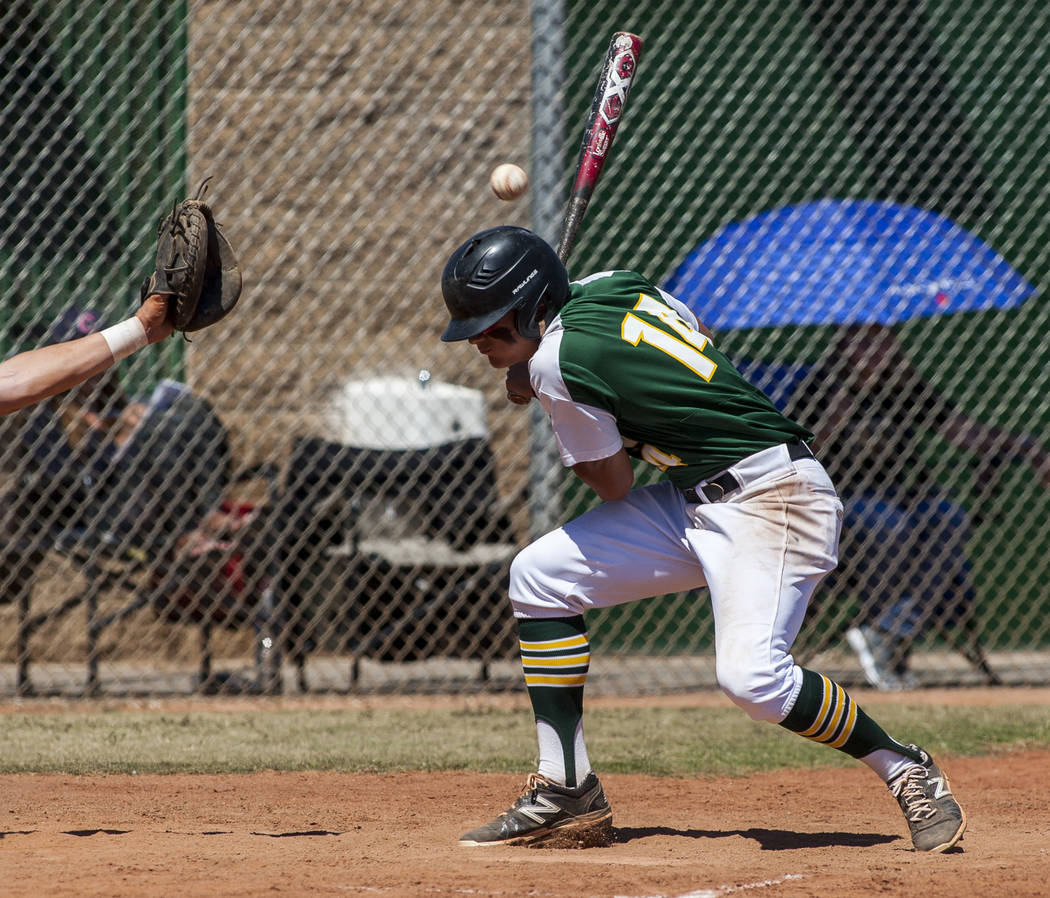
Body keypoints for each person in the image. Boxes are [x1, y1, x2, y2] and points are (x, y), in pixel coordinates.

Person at [439, 225, 966, 852]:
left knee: (753, 682)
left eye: (495, 328)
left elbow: (611, 483)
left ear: (531, 309)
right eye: (474, 329)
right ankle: (567, 786)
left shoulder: (558, 364)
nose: (479, 341)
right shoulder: (613, 285)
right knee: (538, 576)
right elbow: (699, 338)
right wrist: (552, 370)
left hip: (774, 498)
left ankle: (906, 768)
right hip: (694, 496)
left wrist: (551, 388)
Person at [789, 324, 1050, 689]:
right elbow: (793, 455)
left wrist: (1028, 447)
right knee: (889, 525)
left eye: (882, 340)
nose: (873, 350)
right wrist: (832, 420)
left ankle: (887, 631)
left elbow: (963, 433)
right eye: (861, 341)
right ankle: (888, 631)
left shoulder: (904, 386)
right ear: (843, 345)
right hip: (845, 498)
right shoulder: (822, 386)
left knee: (949, 517)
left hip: (909, 492)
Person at [0, 293, 172, 416]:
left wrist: (140, 329)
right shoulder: (41, 419)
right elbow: (13, 382)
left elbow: (11, 379)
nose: (90, 365)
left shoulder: (115, 406)